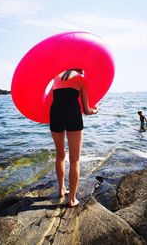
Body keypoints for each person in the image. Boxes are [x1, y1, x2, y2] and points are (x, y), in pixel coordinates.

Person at [49, 68, 98, 207]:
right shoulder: (82, 80)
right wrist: (96, 109)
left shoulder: (56, 77)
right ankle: (71, 200)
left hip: (55, 114)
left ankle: (61, 189)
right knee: (74, 159)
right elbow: (87, 111)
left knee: (60, 155)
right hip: (72, 116)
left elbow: (52, 97)